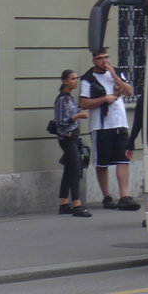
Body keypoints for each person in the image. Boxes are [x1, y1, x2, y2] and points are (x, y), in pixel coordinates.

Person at [78, 48, 140, 210]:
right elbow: (83, 103)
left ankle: (124, 196)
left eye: (106, 57)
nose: (104, 61)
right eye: (100, 58)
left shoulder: (117, 73)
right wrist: (104, 99)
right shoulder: (88, 79)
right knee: (102, 163)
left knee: (123, 159)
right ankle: (107, 196)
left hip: (119, 123)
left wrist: (114, 76)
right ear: (94, 61)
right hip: (100, 126)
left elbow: (129, 91)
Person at [54, 69, 91, 217]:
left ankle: (64, 203)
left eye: (77, 78)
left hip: (74, 138)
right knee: (76, 171)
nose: (76, 81)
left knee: (69, 170)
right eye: (73, 79)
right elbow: (60, 122)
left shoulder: (69, 98)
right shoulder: (61, 99)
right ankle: (77, 204)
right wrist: (76, 117)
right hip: (67, 138)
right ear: (65, 81)